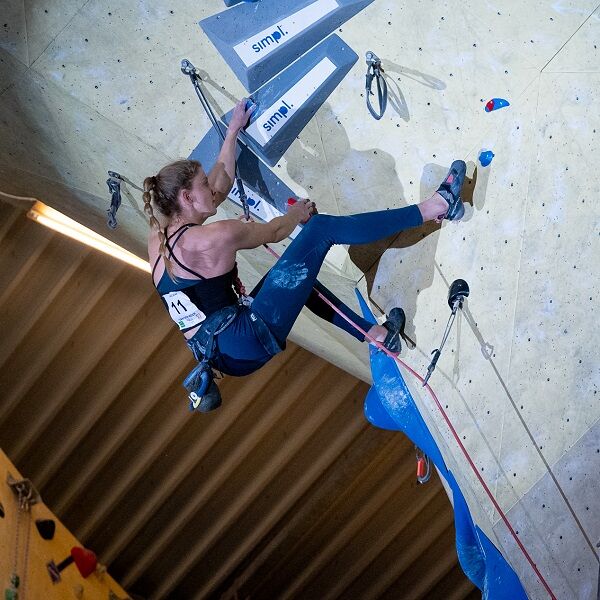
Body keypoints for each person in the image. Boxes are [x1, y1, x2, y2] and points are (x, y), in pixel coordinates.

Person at [143, 99, 466, 410]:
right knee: (321, 230)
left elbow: (219, 183)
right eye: (203, 185)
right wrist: (297, 214)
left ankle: (380, 336)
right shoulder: (215, 236)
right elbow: (275, 232)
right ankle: (437, 206)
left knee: (296, 277)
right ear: (187, 198)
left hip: (221, 354)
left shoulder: (157, 238)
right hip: (244, 337)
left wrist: (232, 132)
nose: (211, 188)